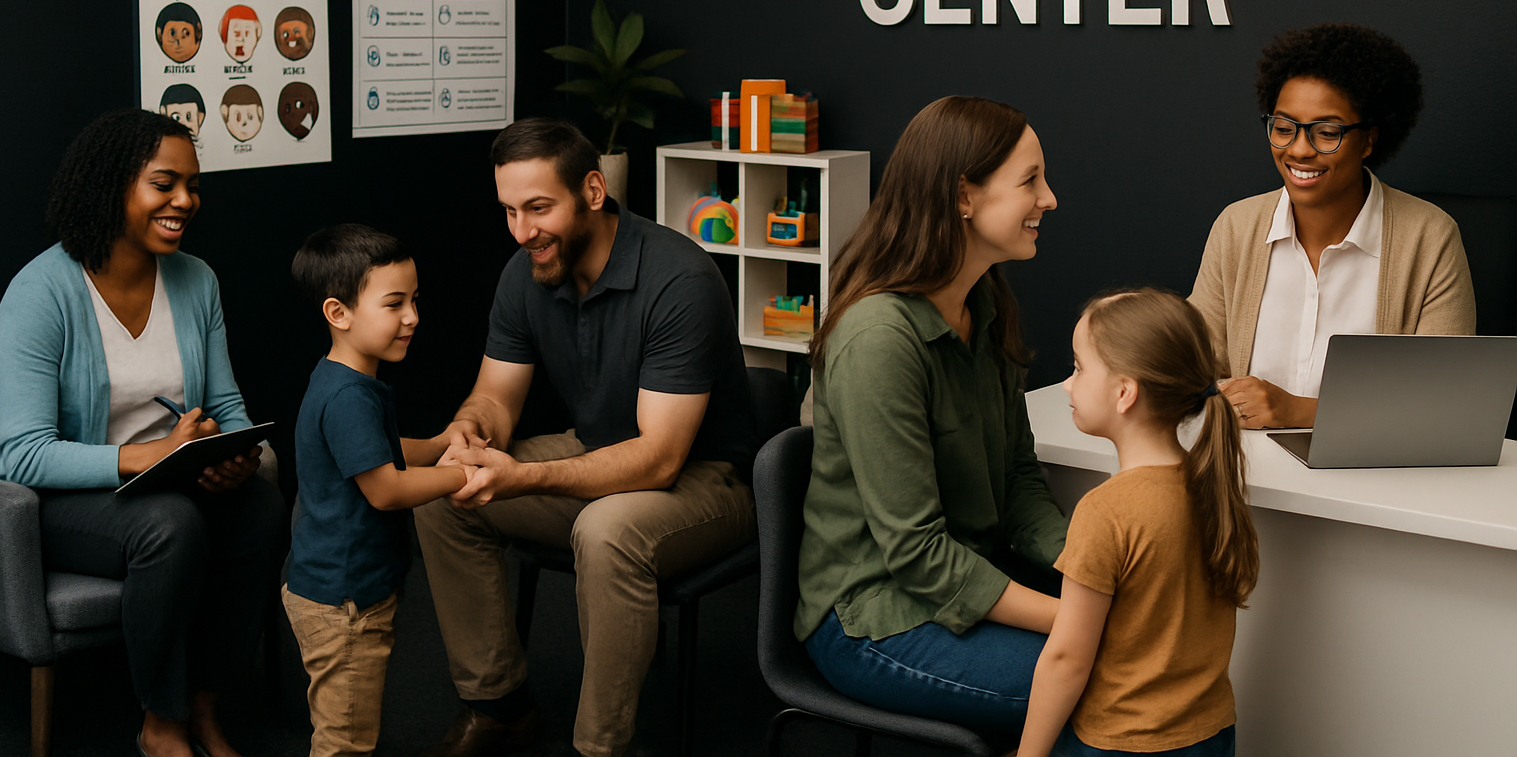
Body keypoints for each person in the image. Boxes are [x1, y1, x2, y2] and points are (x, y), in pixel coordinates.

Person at [414, 117, 758, 757]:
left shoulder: (679, 279)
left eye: (539, 208)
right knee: (441, 491)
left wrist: (525, 475)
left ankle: (598, 747)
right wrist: (470, 429)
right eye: (510, 211)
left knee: (605, 532)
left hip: (708, 479)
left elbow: (659, 459)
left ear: (593, 192)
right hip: (598, 449)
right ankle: (499, 707)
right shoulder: (527, 269)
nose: (522, 231)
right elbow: (495, 396)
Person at [0, 109, 286, 757]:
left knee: (259, 503)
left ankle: (207, 707)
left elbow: (227, 401)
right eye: (165, 183)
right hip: (71, 500)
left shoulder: (195, 279)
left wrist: (236, 451)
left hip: (173, 476)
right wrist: (153, 454)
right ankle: (161, 722)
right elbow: (18, 454)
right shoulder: (40, 294)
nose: (186, 201)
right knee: (169, 524)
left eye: (193, 186)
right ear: (111, 184)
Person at [796, 96, 1068, 740]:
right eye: (1030, 180)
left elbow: (1019, 485)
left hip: (964, 579)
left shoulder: (984, 301)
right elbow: (916, 554)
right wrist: (1077, 618)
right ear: (963, 197)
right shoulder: (878, 340)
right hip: (875, 616)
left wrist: (1096, 572)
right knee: (1109, 679)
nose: (1049, 199)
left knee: (1143, 657)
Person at [1189, 23, 1476, 429]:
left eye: (1326, 133)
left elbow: (1445, 402)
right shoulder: (1237, 227)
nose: (1300, 150)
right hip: (1243, 473)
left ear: (1369, 140)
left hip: (1374, 480)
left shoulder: (1429, 238)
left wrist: (1300, 412)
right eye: (1284, 128)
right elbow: (1190, 369)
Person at [1017, 289, 1259, 757]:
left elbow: (1067, 659)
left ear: (1124, 392)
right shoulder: (1213, 485)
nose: (1067, 384)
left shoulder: (1105, 512)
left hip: (1121, 744)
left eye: (1079, 368)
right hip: (1210, 736)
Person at [284, 224, 474, 757]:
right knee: (344, 741)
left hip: (346, 589)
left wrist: (439, 444)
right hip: (342, 601)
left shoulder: (348, 380)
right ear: (338, 313)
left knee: (352, 725)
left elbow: (383, 452)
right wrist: (463, 475)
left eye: (415, 300)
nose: (412, 317)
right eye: (394, 304)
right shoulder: (348, 397)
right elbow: (386, 489)